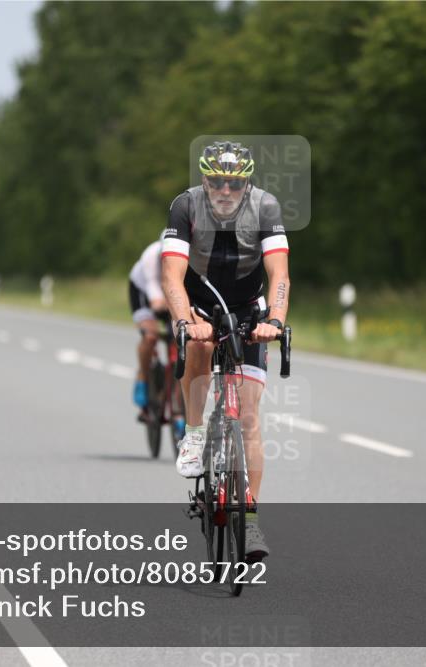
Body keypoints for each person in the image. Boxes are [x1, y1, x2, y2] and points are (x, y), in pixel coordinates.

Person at [161, 141, 290, 560]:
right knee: (198, 347)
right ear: (204, 180)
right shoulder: (185, 207)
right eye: (217, 181)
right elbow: (171, 276)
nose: (225, 190)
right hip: (199, 304)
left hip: (248, 309)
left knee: (249, 417)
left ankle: (249, 520)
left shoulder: (266, 208)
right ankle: (195, 433)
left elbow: (280, 274)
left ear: (246, 183)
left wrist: (274, 320)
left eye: (235, 183)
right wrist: (185, 321)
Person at [129, 234, 186, 435]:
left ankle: (179, 407)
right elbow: (156, 300)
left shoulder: (188, 255)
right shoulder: (150, 257)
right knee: (151, 336)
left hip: (171, 294)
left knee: (185, 343)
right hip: (144, 293)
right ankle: (144, 378)